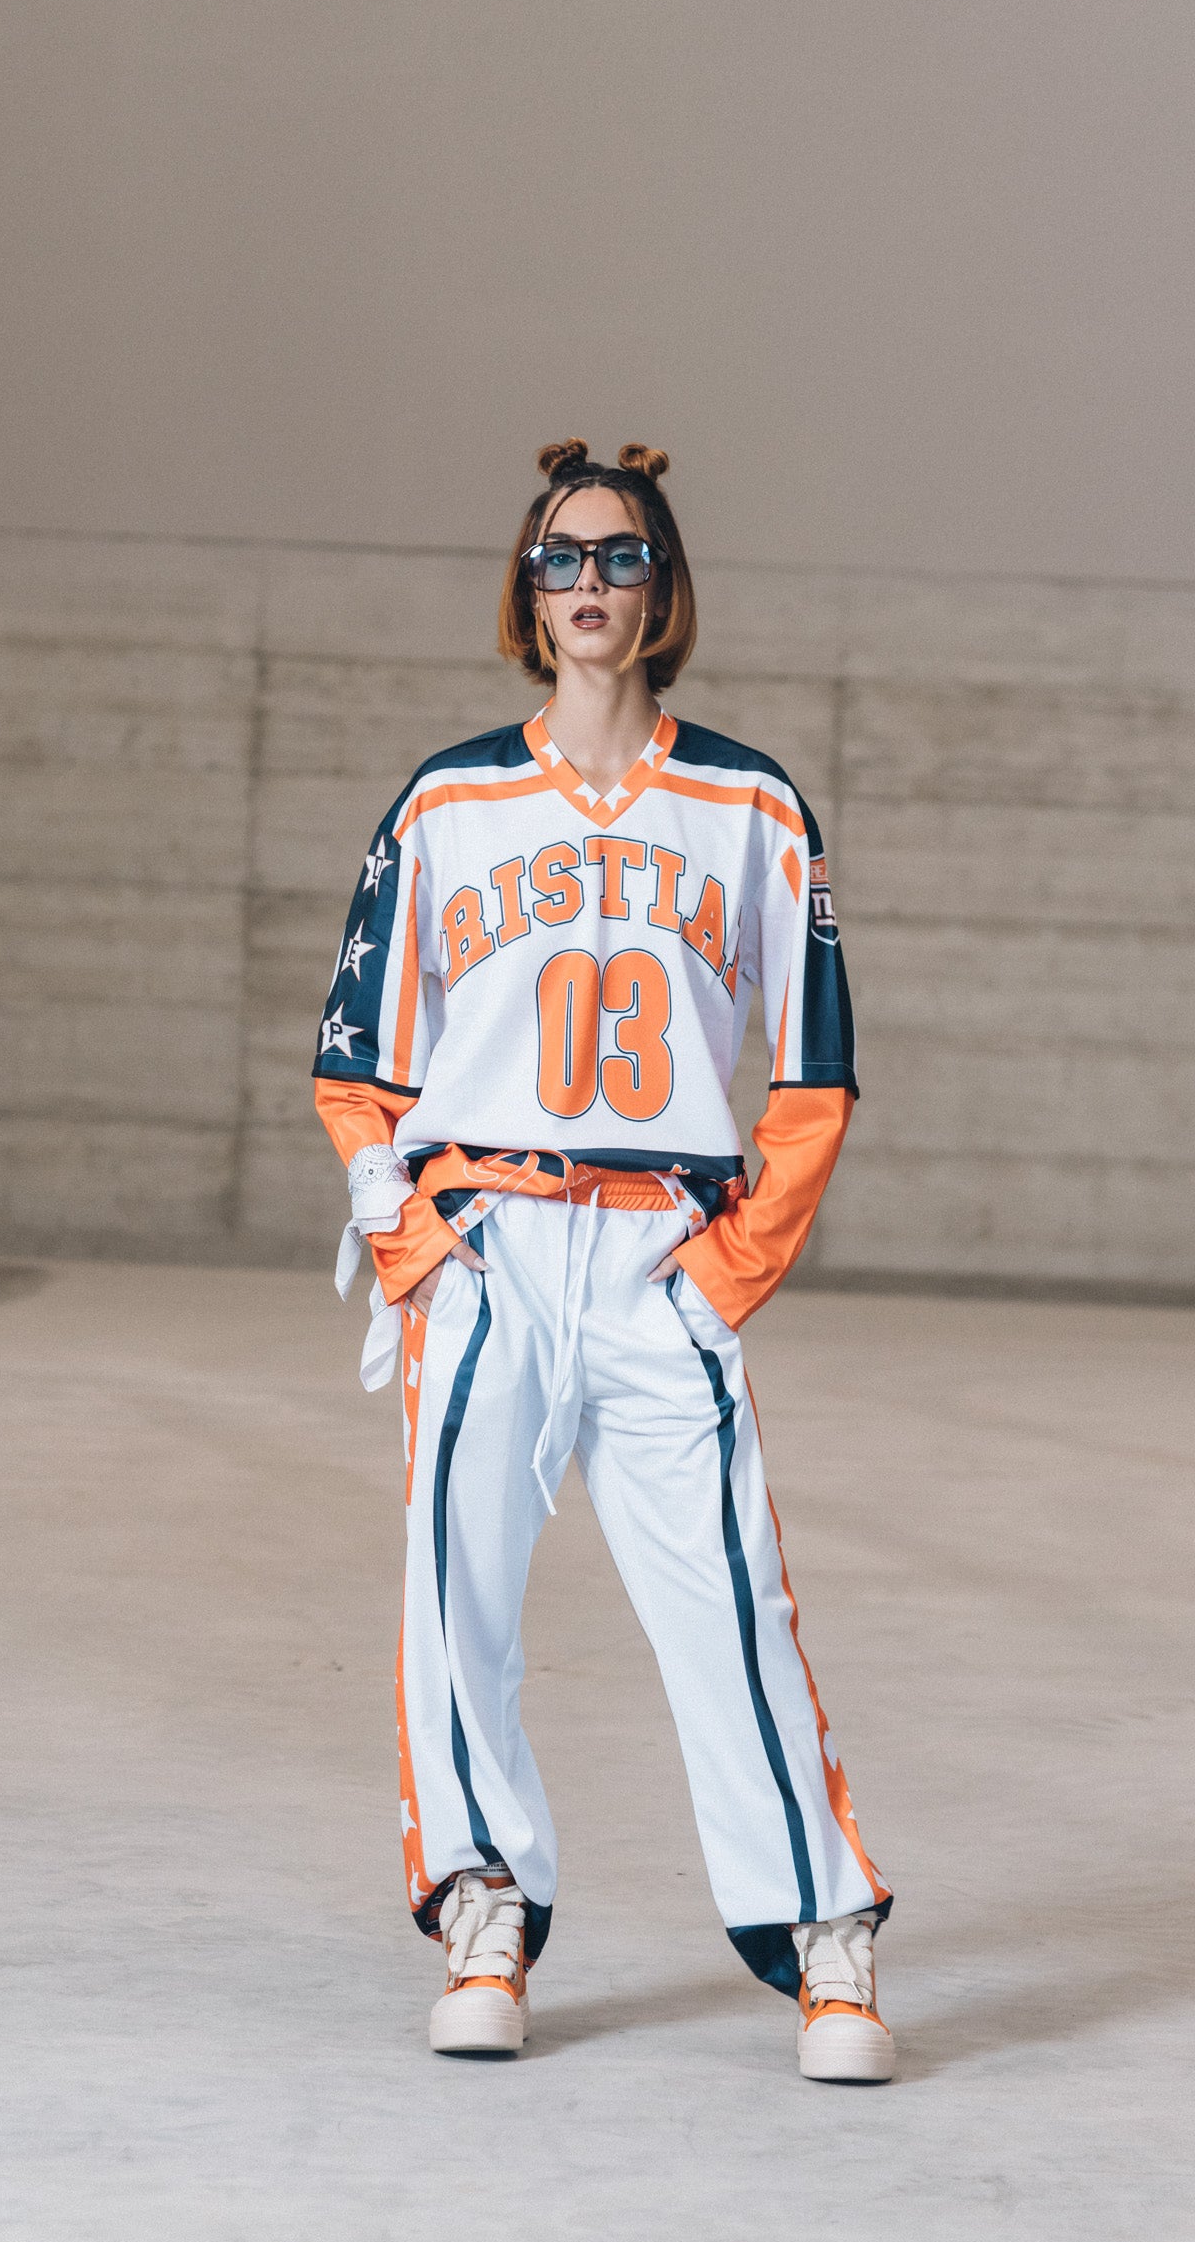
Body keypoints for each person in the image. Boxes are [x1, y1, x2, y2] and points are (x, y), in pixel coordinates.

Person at [313, 440, 893, 2082]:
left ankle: (823, 1934)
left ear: (663, 590)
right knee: (457, 1598)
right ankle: (482, 1913)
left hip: (660, 1251)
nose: (589, 584)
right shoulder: (446, 801)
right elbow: (355, 1064)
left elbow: (814, 1075)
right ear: (528, 588)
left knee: (730, 1603)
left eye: (620, 558)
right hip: (490, 1242)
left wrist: (729, 1270)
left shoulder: (752, 806)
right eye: (561, 558)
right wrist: (415, 1246)